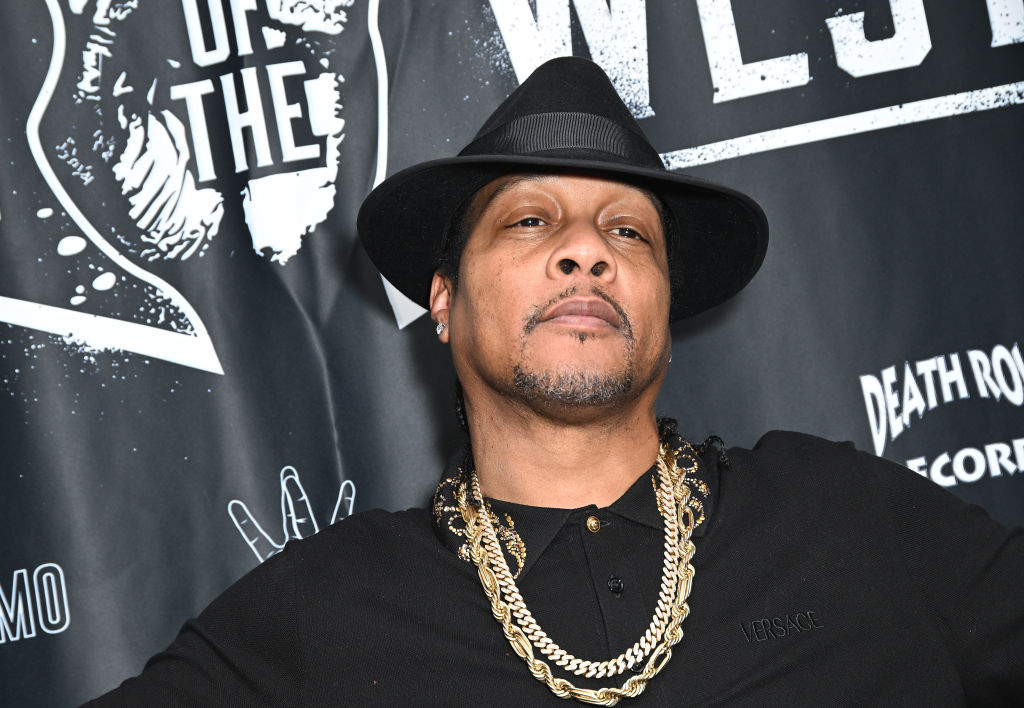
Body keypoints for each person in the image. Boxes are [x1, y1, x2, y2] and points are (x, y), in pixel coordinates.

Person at [88, 57, 1023, 706]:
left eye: (628, 232)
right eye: (531, 221)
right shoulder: (325, 609)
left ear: (664, 307)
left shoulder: (844, 513)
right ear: (443, 301)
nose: (586, 251)